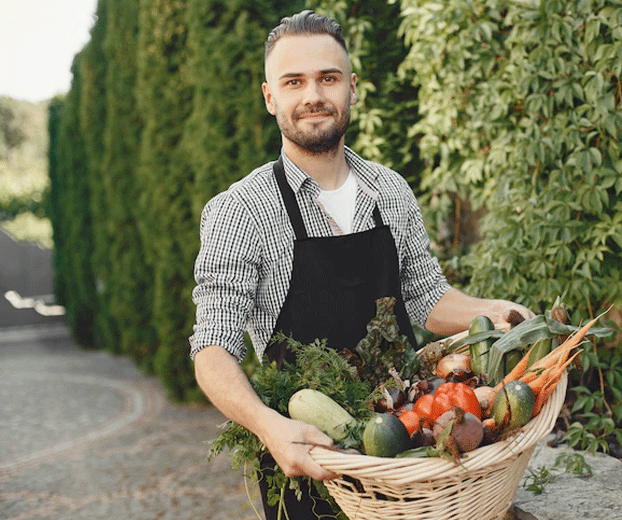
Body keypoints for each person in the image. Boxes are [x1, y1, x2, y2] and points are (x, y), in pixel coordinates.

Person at [189, 9, 534, 519]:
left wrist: (500, 315)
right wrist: (269, 426)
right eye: (294, 81)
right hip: (308, 458)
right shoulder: (240, 210)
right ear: (270, 97)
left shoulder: (389, 190)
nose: (312, 96)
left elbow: (427, 297)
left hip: (409, 450)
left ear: (352, 88)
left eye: (327, 78)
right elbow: (212, 347)